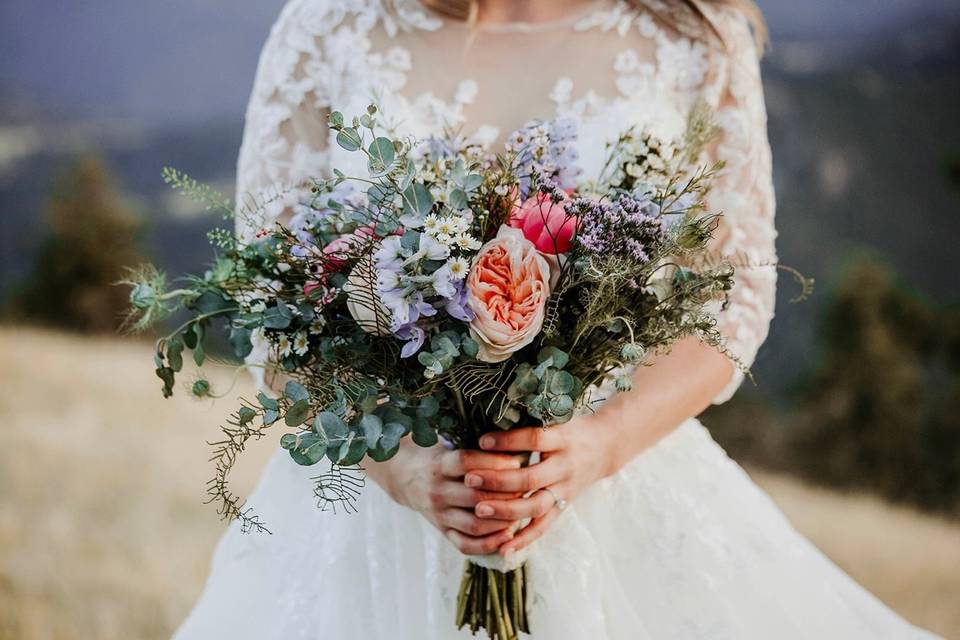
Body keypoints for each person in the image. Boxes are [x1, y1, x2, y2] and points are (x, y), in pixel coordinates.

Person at [174, 1, 938, 637]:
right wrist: (401, 467)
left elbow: (733, 301)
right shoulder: (327, 28)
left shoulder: (693, 38)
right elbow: (270, 307)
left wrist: (598, 446)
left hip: (619, 492)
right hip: (371, 515)